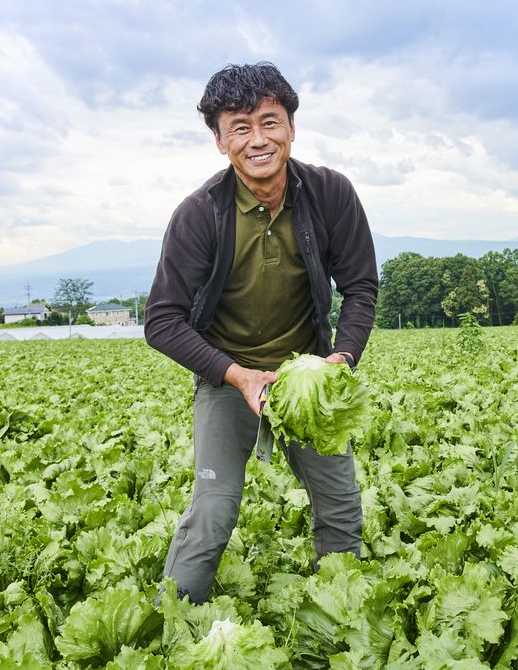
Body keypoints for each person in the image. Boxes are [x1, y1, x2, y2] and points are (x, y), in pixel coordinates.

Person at [144, 62, 378, 603]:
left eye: (269, 122)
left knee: (340, 501)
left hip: (307, 378)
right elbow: (162, 320)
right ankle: (172, 628)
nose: (258, 140)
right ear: (220, 140)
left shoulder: (329, 195)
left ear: (291, 128)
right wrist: (236, 375)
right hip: (228, 376)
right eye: (240, 127)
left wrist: (341, 358)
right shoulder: (200, 214)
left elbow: (361, 285)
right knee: (213, 508)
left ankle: (342, 615)